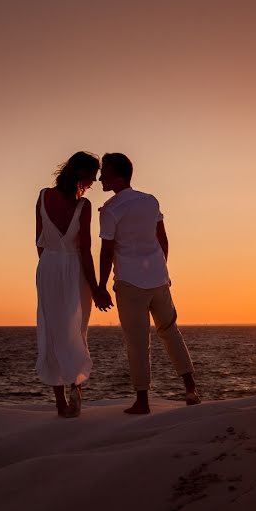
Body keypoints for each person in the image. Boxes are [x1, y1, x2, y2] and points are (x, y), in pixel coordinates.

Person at [96, 152, 199, 414]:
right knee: (170, 331)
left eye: (104, 173)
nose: (99, 178)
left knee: (137, 341)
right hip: (159, 279)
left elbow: (106, 251)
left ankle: (142, 401)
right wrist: (161, 268)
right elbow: (162, 239)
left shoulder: (110, 209)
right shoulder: (150, 201)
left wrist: (100, 286)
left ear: (118, 174)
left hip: (130, 282)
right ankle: (191, 388)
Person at [35, 151, 108, 418]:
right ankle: (76, 386)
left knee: (52, 329)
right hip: (75, 268)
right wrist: (98, 288)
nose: (94, 181)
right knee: (76, 328)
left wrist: (50, 267)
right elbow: (86, 250)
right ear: (80, 174)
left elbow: (39, 243)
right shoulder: (84, 206)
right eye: (92, 176)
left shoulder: (43, 196)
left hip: (48, 268)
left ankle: (61, 402)